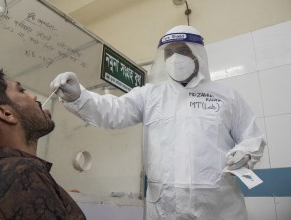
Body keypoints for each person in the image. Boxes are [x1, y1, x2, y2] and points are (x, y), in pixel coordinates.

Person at [50, 25, 266, 220]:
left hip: (219, 209)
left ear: (197, 54)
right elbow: (112, 111)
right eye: (169, 53)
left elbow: (251, 136)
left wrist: (245, 153)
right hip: (165, 209)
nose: (175, 58)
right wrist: (78, 96)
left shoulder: (226, 97)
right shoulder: (150, 95)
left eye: (182, 51)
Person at [0, 70, 86, 220]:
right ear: (6, 113)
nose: (33, 97)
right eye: (21, 90)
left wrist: (53, 196)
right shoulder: (23, 176)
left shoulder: (4, 177)